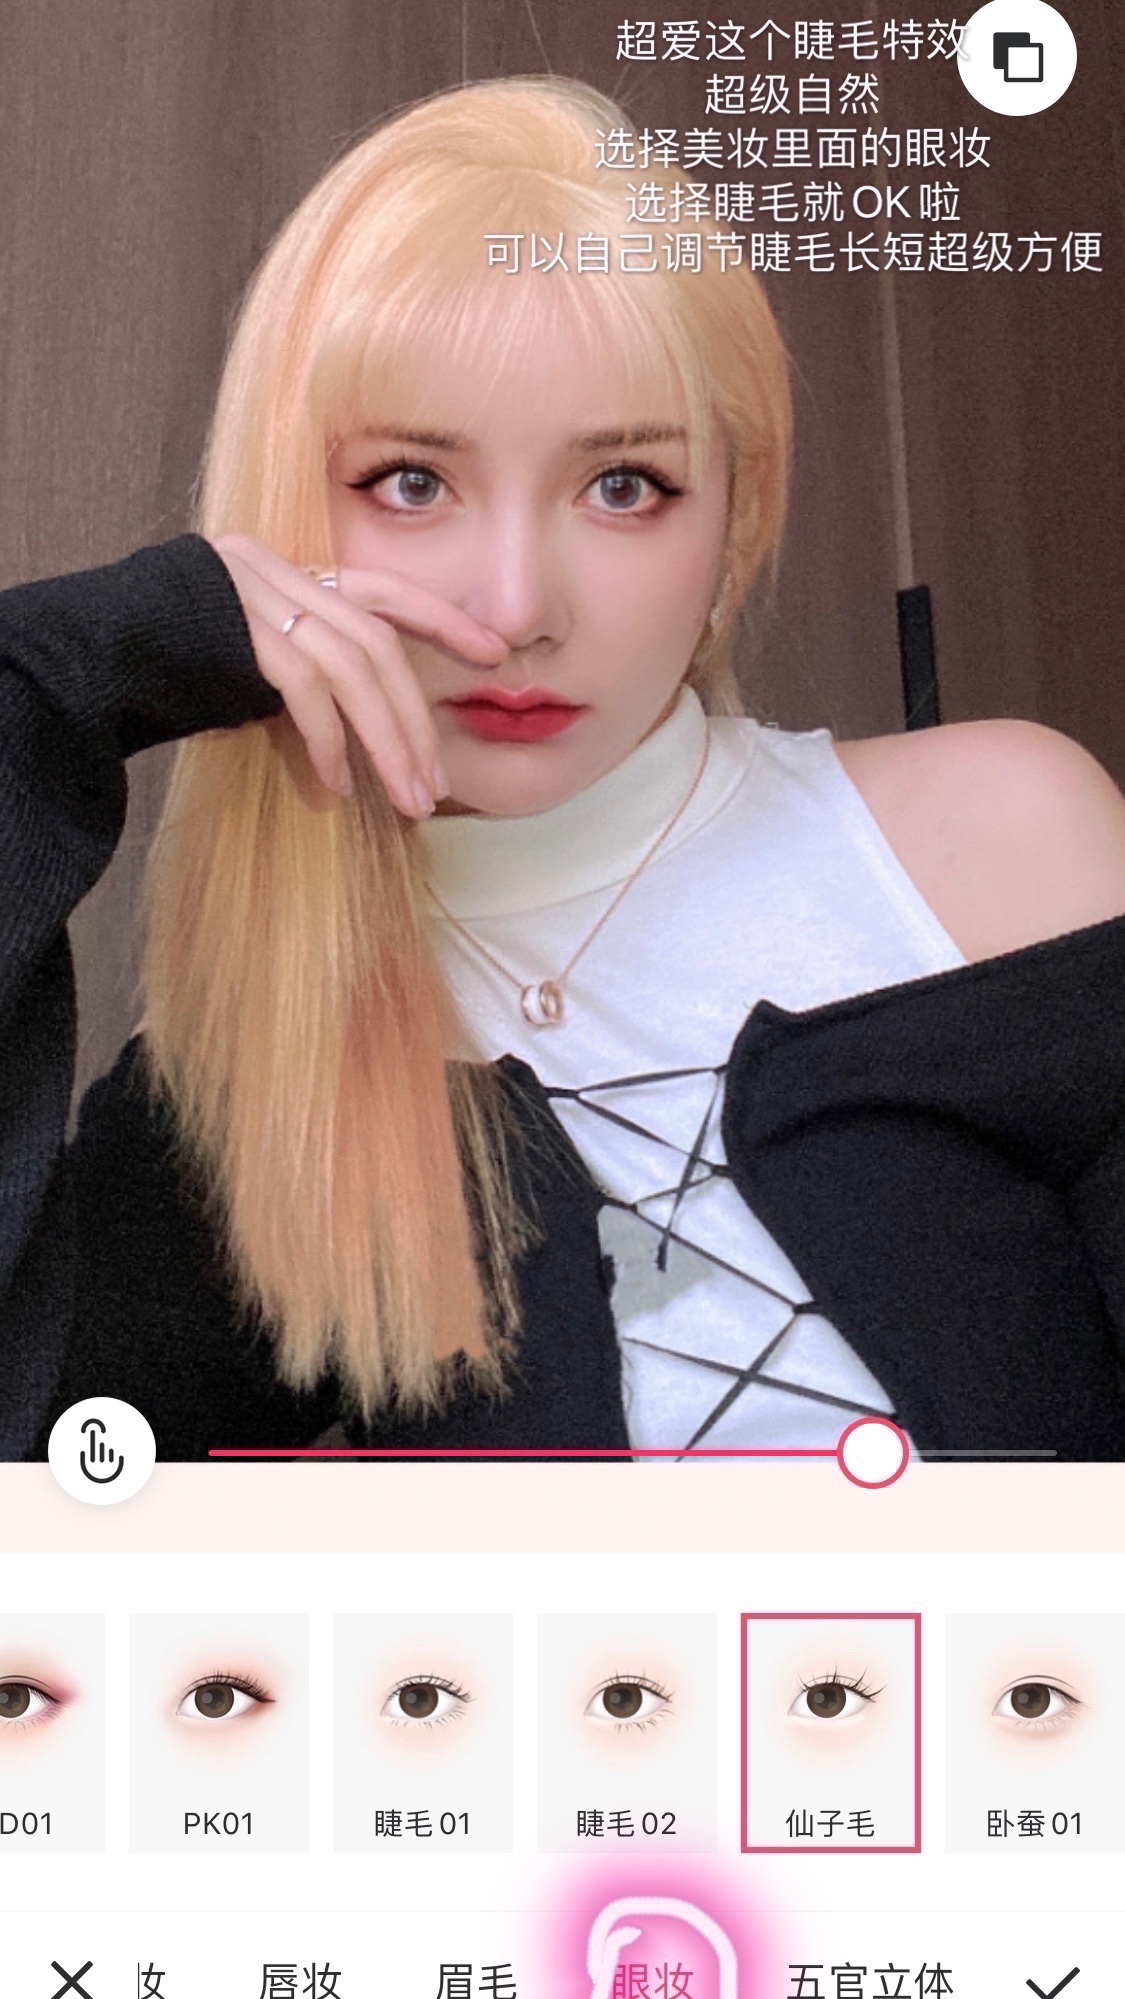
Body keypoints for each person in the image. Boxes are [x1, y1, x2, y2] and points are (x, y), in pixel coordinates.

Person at [4, 75, 1125, 1464]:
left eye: (622, 487)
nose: (519, 607)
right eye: (412, 482)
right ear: (286, 517)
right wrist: (66, 670)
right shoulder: (257, 1077)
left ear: (735, 522)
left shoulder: (1008, 845)